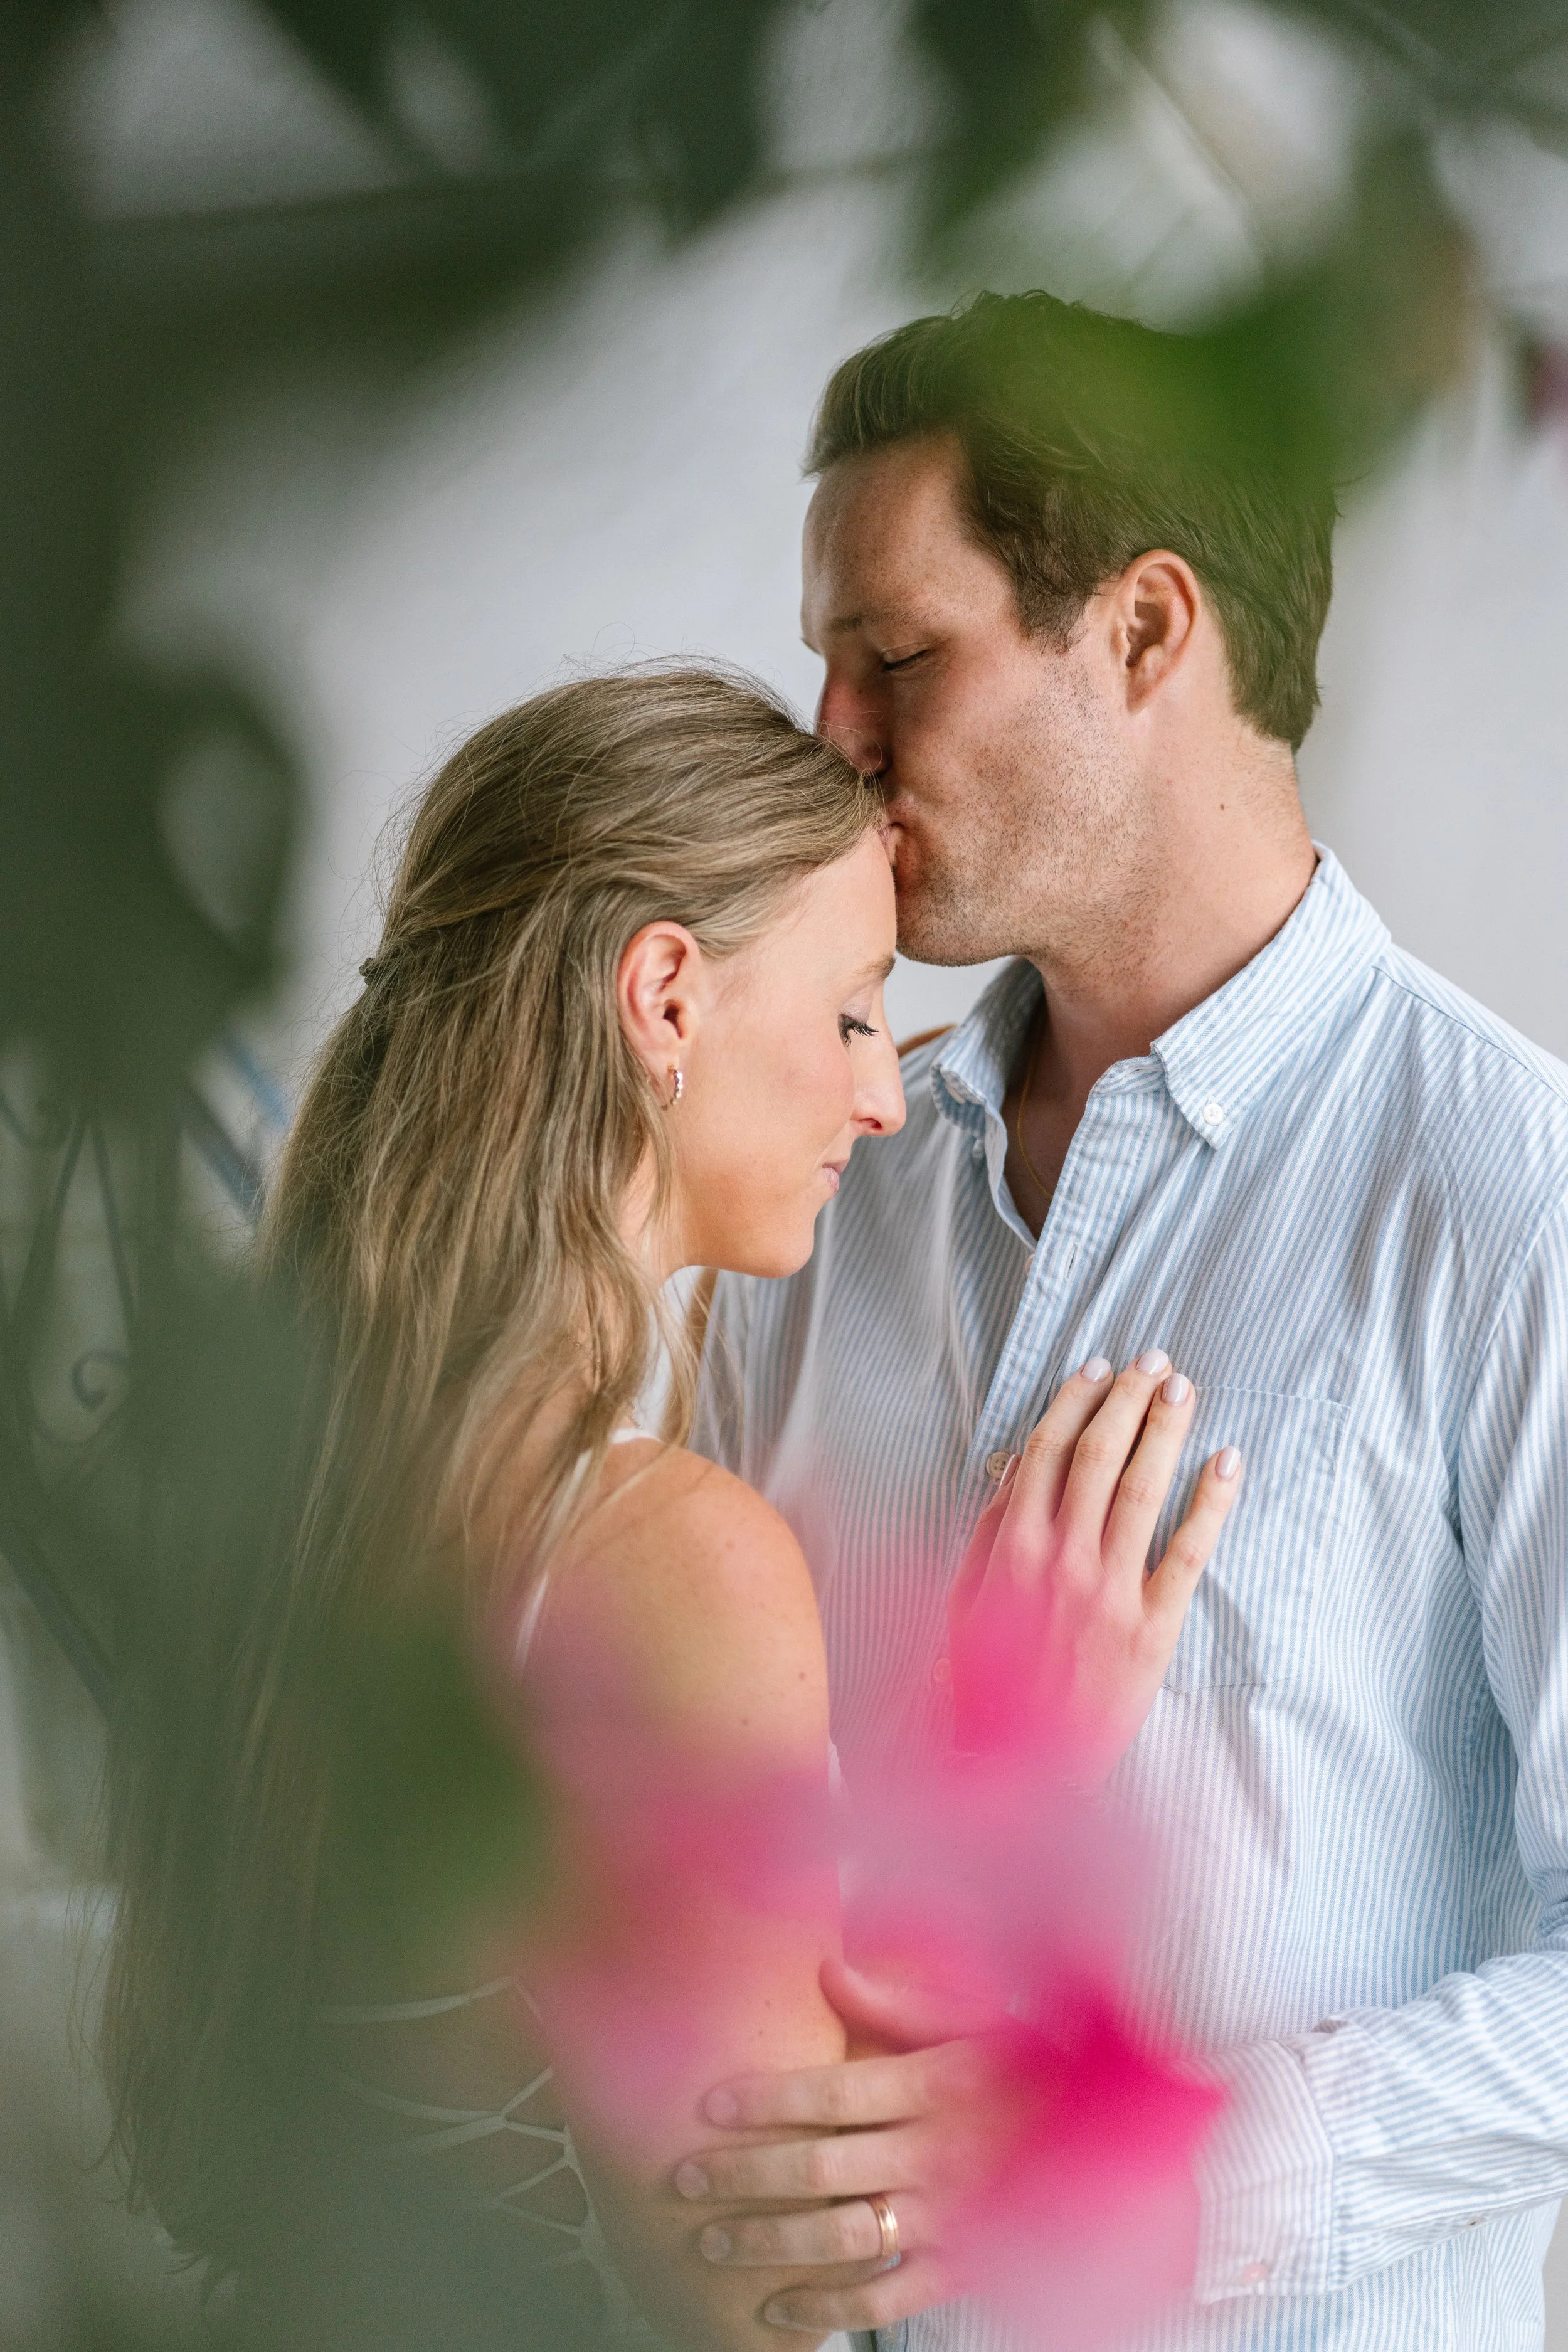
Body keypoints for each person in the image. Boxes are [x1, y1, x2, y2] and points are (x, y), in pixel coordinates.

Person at [99, 664, 1236, 2352]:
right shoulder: (658, 1560)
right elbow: (767, 2287)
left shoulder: (308, 1482)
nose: (878, 1091)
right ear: (665, 996)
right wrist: (1023, 1765)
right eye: (851, 1007)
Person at [678, 290, 1568, 2352]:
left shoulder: (1506, 1197)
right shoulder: (815, 1187)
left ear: (1147, 632)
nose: (829, 742)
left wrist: (1128, 2160)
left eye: (894, 658)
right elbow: (712, 1874)